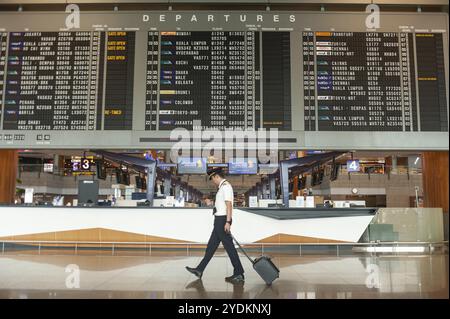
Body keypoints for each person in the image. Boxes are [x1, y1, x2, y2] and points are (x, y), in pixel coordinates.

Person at [186, 168, 245, 284]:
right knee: (211, 247)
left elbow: (229, 205)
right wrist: (211, 203)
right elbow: (222, 204)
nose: (213, 181)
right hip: (219, 220)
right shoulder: (222, 188)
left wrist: (228, 222)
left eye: (213, 179)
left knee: (229, 248)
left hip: (222, 221)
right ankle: (199, 269)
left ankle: (239, 273)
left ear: (216, 176)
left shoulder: (226, 186)